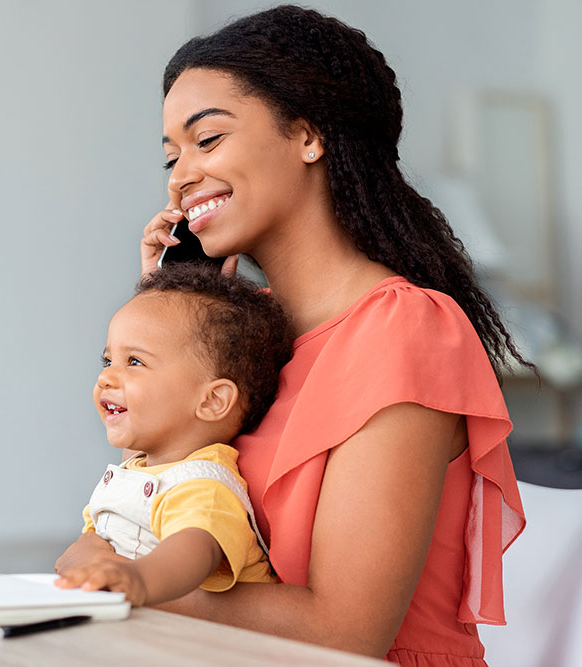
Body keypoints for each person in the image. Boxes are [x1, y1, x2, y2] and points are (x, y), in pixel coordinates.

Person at [55, 6, 528, 666]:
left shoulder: (404, 330)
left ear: (307, 135)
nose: (181, 174)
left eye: (208, 140)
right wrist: (176, 322)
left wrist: (124, 582)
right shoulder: (254, 335)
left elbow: (343, 632)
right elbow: (173, 498)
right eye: (172, 154)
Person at [55, 263, 293, 606]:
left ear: (212, 401)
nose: (106, 378)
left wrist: (137, 578)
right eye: (108, 362)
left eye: (134, 362)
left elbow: (192, 551)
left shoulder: (205, 486)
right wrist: (88, 554)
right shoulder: (137, 470)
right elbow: (84, 549)